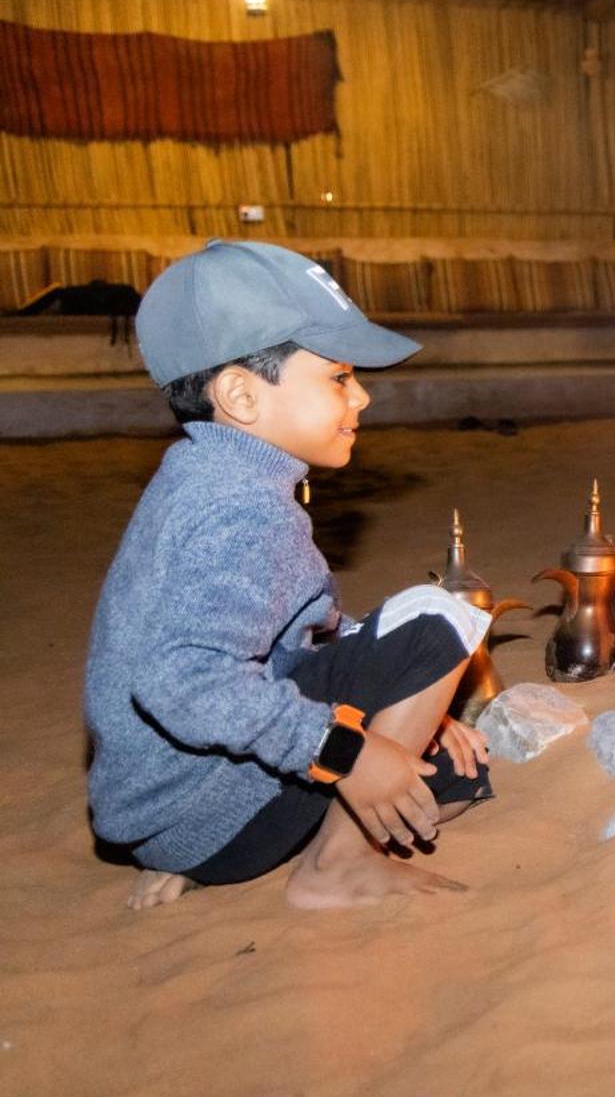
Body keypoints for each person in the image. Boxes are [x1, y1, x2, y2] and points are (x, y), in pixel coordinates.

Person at [85, 240, 496, 910]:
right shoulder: (241, 510)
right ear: (241, 394)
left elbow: (295, 633)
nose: (360, 394)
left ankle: (218, 857)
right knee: (439, 617)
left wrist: (409, 699)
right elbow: (181, 679)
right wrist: (349, 751)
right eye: (337, 376)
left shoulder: (205, 476)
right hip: (207, 808)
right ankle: (336, 866)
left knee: (454, 771)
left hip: (176, 807)